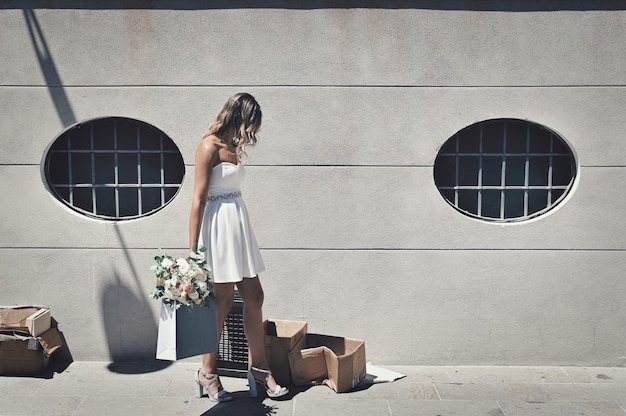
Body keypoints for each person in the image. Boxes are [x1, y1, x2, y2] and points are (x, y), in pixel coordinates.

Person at [188, 93, 288, 402]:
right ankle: (207, 372)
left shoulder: (233, 147)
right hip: (217, 227)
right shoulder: (209, 146)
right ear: (238, 117)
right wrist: (193, 250)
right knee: (221, 304)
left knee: (254, 297)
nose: (251, 132)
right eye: (250, 123)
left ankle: (259, 369)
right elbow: (198, 198)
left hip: (238, 225)